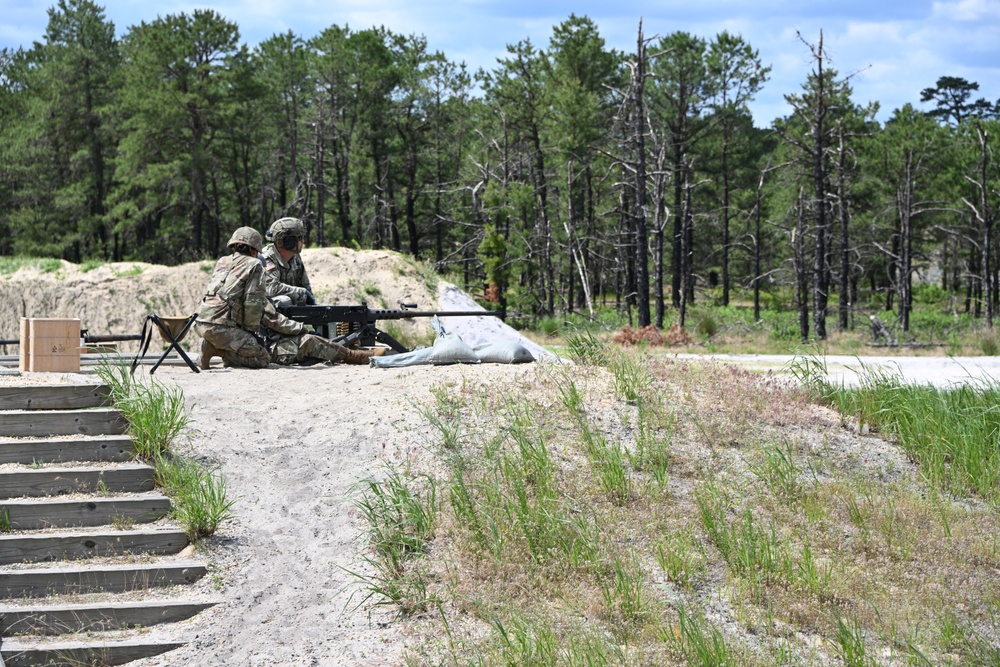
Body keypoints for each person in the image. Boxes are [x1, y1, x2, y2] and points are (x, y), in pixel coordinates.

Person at [195, 227, 380, 369]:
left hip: (202, 323)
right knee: (263, 357)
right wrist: (298, 329)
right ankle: (220, 352)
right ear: (254, 251)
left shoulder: (223, 262)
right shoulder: (254, 266)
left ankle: (216, 347)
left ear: (233, 246)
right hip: (227, 329)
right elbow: (257, 308)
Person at [261, 217, 314, 307]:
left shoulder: (295, 257)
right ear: (289, 241)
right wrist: (301, 292)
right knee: (284, 300)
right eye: (300, 238)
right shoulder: (266, 258)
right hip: (266, 312)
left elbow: (305, 287)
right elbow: (271, 288)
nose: (303, 241)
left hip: (287, 314)